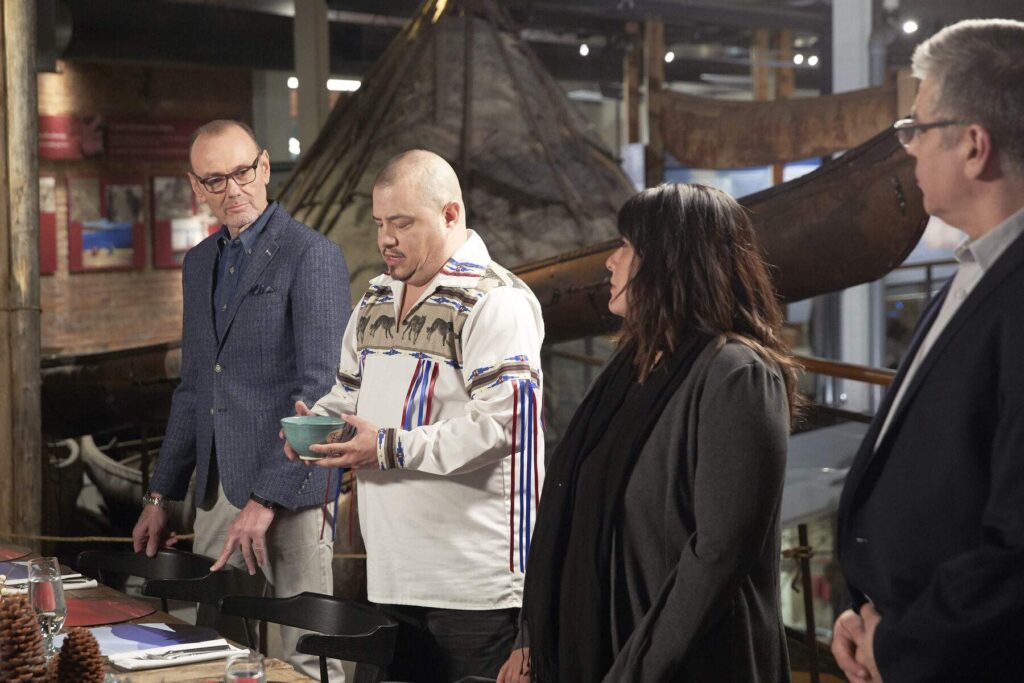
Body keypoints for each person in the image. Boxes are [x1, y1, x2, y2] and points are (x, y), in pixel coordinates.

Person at [500, 182, 798, 682]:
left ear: (670, 261)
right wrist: (531, 637)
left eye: (627, 247)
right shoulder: (630, 368)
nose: (610, 262)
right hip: (602, 654)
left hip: (680, 668)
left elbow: (718, 556)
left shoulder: (736, 375)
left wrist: (635, 670)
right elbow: (569, 507)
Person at [284, 149, 546, 682]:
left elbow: (505, 424)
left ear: (451, 215)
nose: (386, 239)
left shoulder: (496, 302)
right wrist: (322, 428)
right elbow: (349, 392)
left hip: (475, 587)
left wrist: (385, 447)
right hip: (390, 576)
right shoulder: (377, 297)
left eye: (402, 223)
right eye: (381, 223)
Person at [831, 19, 1024, 683]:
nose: (907, 148)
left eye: (916, 127)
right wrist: (865, 612)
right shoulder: (975, 271)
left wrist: (899, 645)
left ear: (973, 145)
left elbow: (1016, 550)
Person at [131, 119, 350, 680]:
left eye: (242, 172)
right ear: (196, 187)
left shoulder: (312, 255)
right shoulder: (198, 263)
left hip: (292, 493)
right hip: (214, 492)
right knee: (217, 649)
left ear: (265, 167)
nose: (233, 190)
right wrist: (160, 494)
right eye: (215, 180)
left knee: (305, 656)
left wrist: (267, 499)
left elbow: (322, 393)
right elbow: (195, 389)